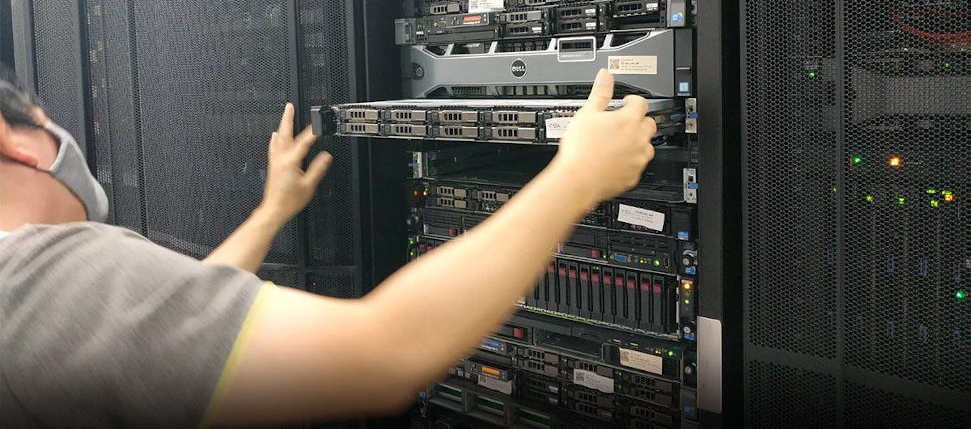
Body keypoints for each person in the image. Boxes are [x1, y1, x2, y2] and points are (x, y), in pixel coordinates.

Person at [0, 69, 657, 428]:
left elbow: (166, 332)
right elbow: (387, 355)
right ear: (16, 141)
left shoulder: (33, 296)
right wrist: (576, 179)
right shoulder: (46, 275)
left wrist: (272, 213)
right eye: (48, 119)